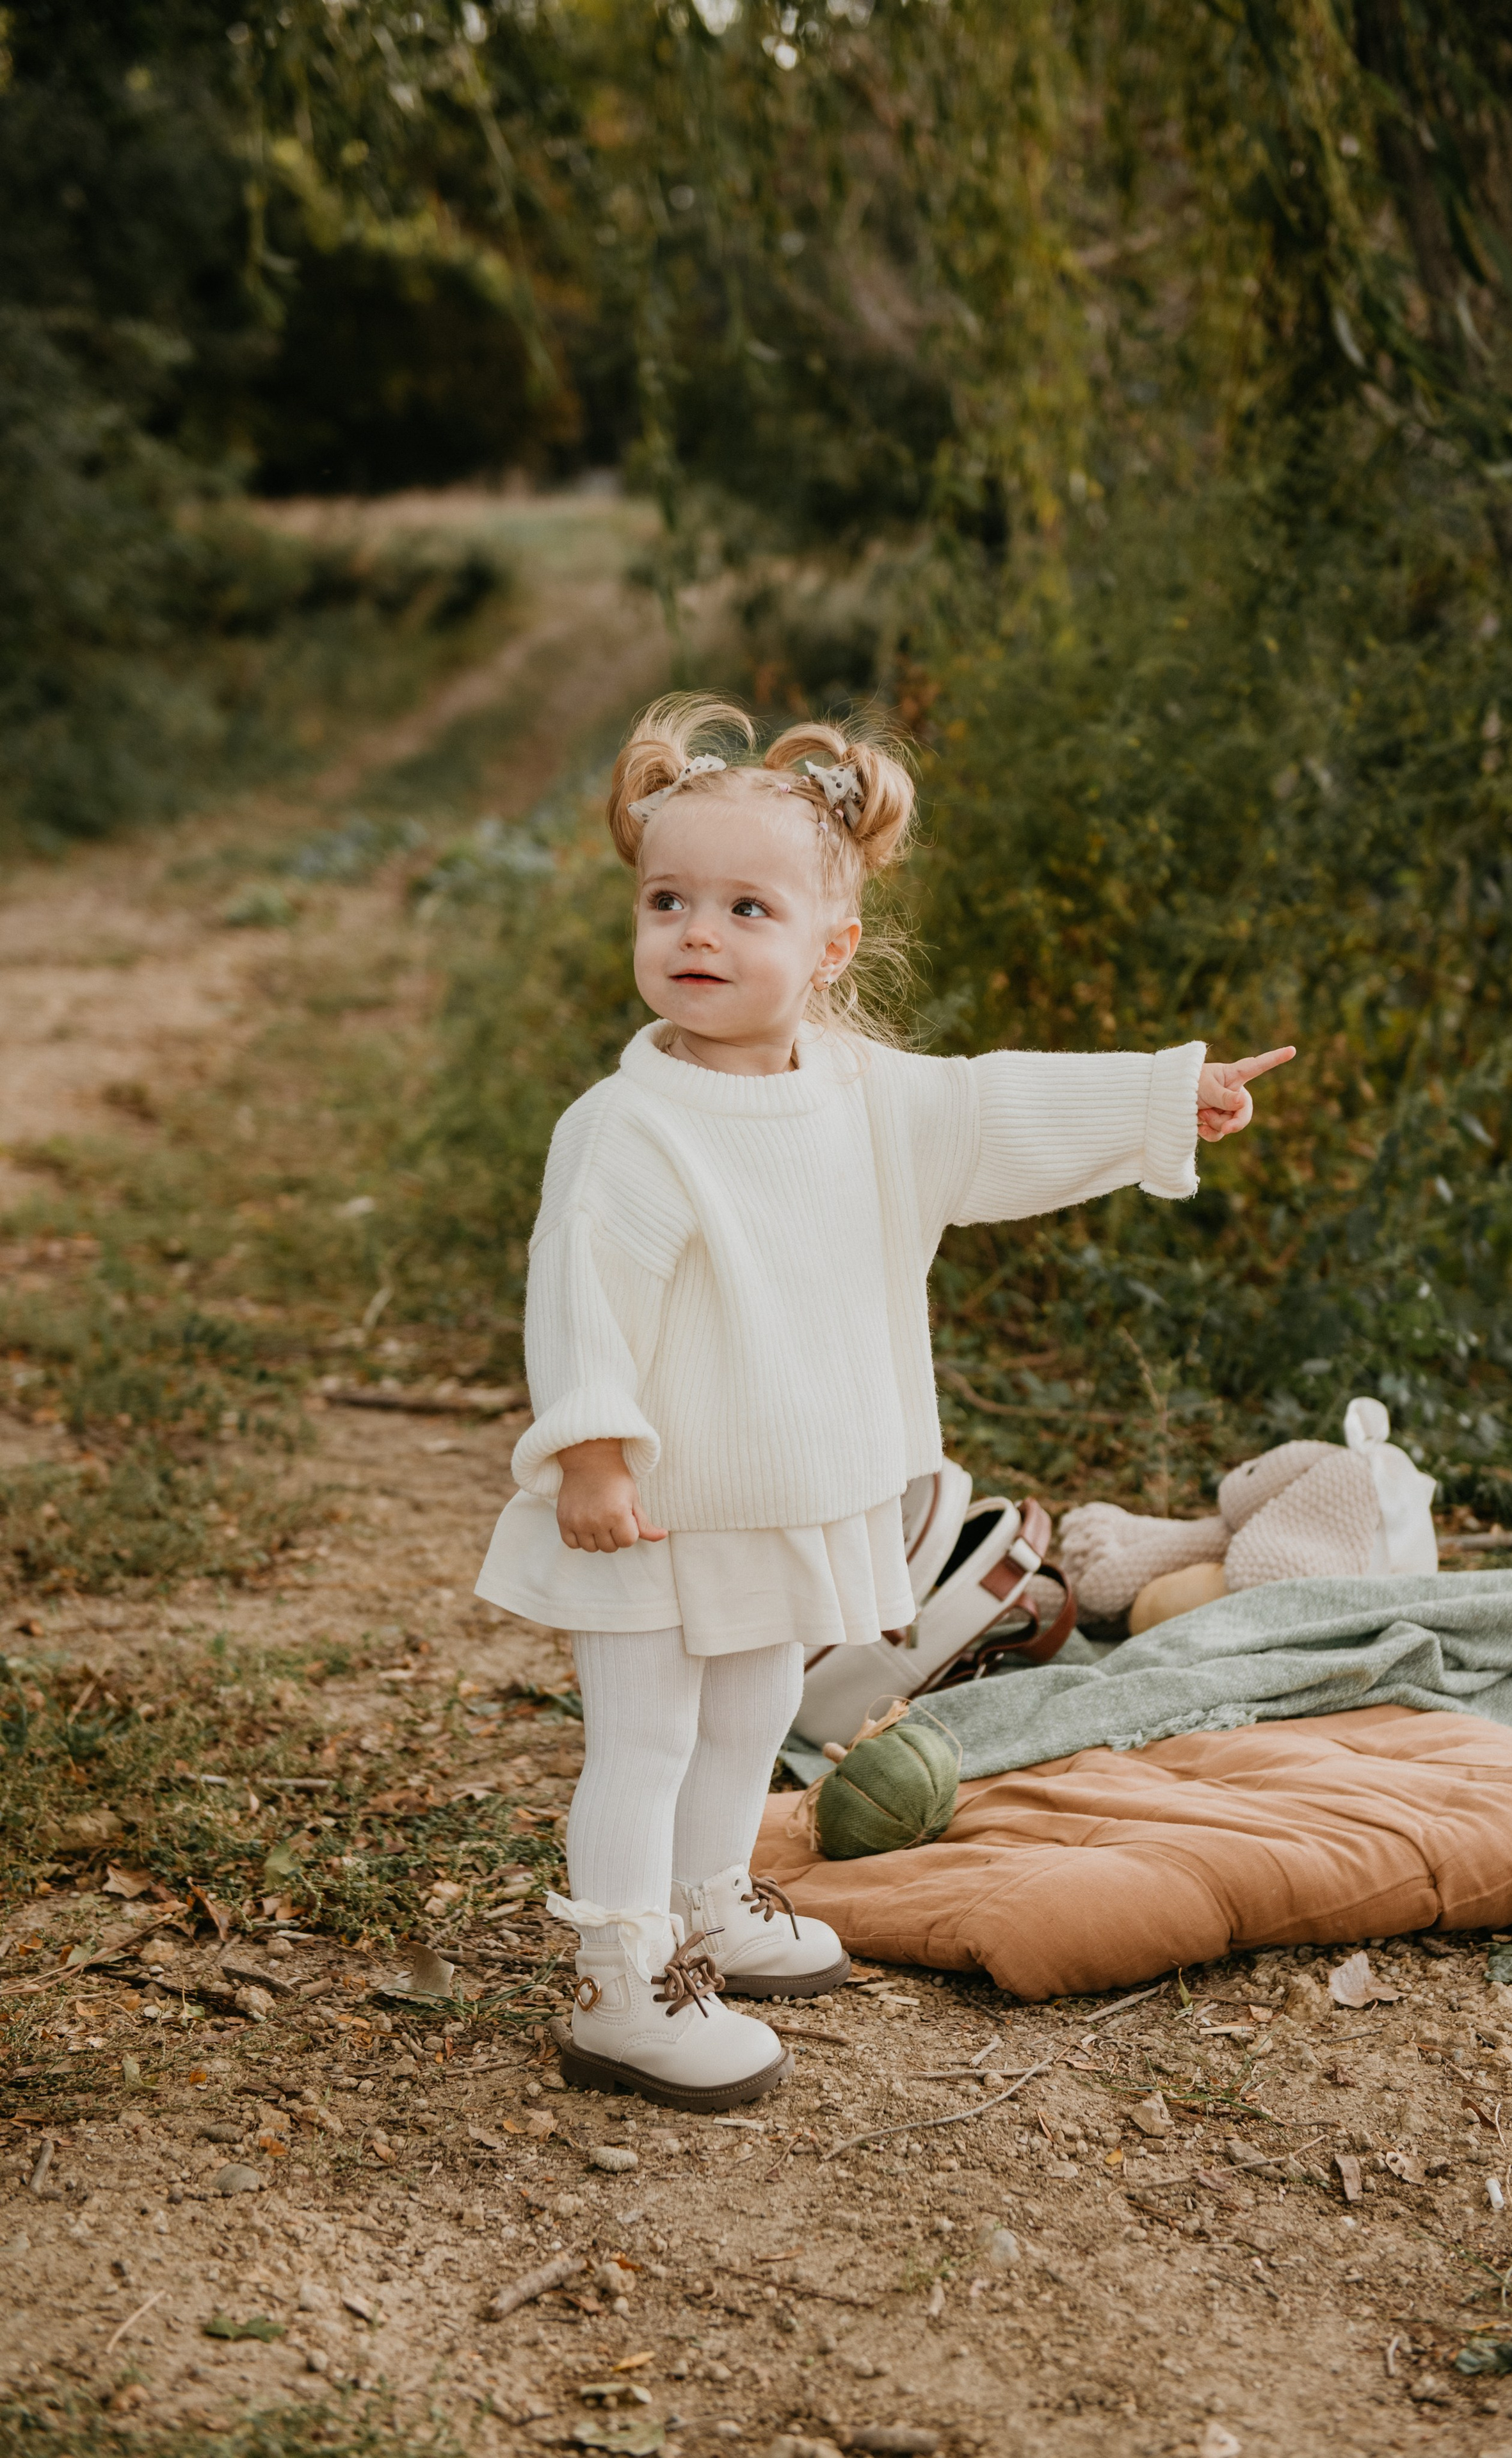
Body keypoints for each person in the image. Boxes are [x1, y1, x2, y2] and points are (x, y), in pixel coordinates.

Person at [475, 694, 1294, 2110]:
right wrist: (593, 1457)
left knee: (746, 1715)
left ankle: (709, 1899)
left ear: (828, 947)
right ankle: (621, 1987)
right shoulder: (627, 1127)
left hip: (785, 1489)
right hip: (657, 1506)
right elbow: (582, 1298)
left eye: (745, 908)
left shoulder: (859, 1093)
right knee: (647, 1735)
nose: (697, 934)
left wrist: (1165, 1102)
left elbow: (992, 1113)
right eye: (667, 900)